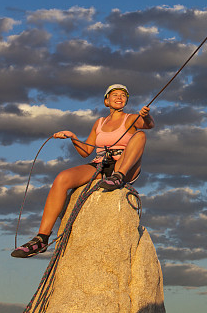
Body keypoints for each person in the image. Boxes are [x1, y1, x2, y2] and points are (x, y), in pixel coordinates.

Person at [11, 84, 154, 258]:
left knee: (140, 135)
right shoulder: (100, 123)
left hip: (125, 164)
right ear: (106, 101)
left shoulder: (131, 118)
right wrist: (72, 137)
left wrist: (146, 117)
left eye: (123, 95)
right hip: (101, 163)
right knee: (62, 178)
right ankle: (41, 239)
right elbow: (86, 151)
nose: (119, 97)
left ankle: (118, 177)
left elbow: (148, 125)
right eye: (114, 94)